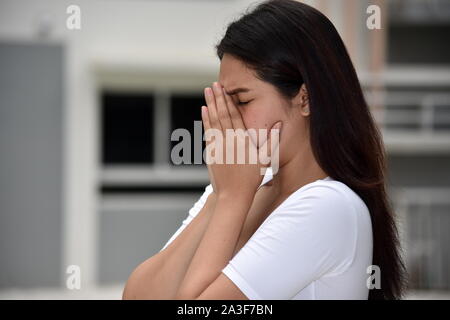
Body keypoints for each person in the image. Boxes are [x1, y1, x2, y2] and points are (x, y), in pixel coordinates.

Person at [122, 0, 407, 300]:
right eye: (223, 103)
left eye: (242, 102)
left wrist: (232, 199)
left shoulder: (329, 207)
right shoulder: (240, 185)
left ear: (305, 98)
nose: (228, 120)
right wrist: (220, 199)